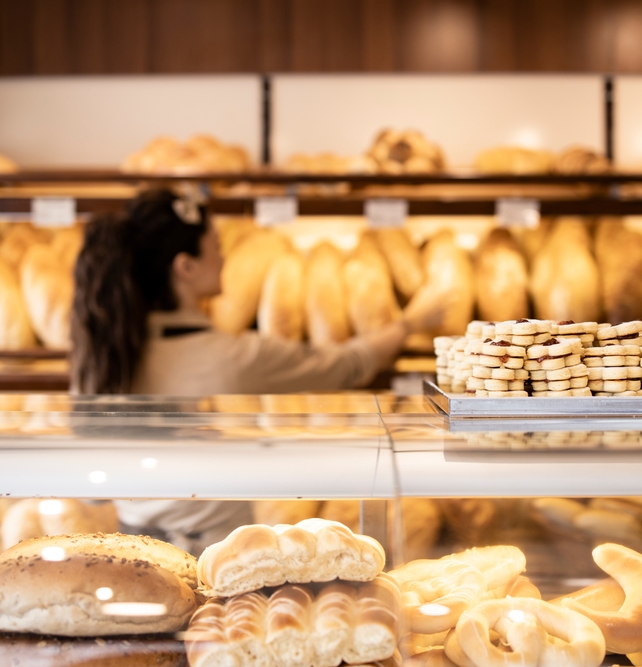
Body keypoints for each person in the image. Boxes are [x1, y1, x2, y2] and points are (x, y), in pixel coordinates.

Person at [71, 188, 444, 551]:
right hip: (212, 557)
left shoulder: (104, 354)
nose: (224, 256)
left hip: (130, 548)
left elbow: (93, 496)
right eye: (215, 246)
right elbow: (346, 365)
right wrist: (410, 323)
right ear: (185, 267)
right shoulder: (233, 359)